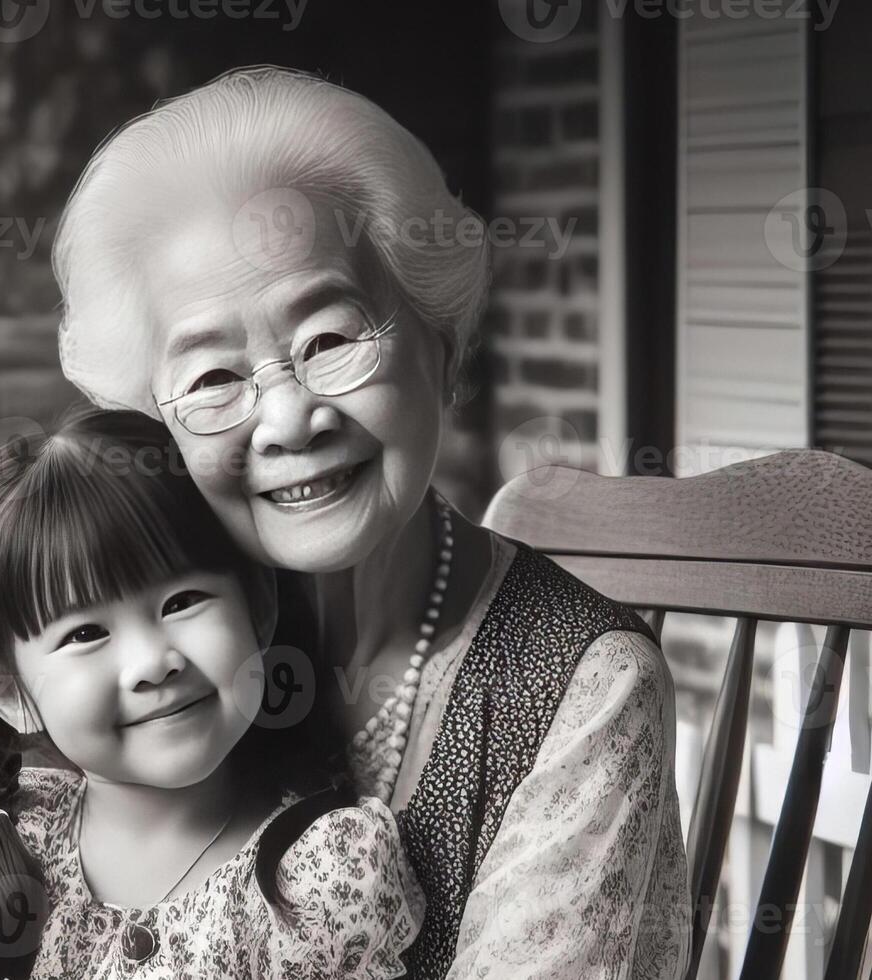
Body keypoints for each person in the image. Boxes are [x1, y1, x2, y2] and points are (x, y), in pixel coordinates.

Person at [53, 66, 692, 978]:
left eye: (329, 340)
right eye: (212, 378)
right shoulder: (150, 655)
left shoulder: (588, 689)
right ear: (158, 426)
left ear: (437, 343)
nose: (286, 421)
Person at [0, 405, 424, 980]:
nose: (151, 664)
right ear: (11, 691)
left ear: (258, 609)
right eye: (86, 633)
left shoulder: (321, 876)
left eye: (181, 603)